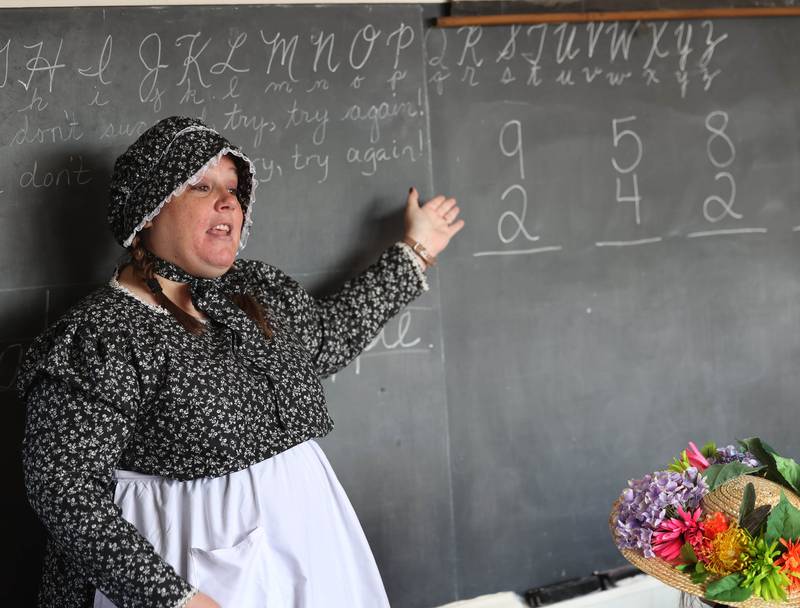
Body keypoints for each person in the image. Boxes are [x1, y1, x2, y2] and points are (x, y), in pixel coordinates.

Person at [18, 115, 464, 608]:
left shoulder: (251, 291)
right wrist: (175, 599)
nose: (229, 200)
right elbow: (64, 487)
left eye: (233, 188)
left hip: (309, 554)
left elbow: (329, 339)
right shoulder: (103, 334)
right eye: (202, 186)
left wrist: (416, 250)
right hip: (192, 570)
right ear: (148, 210)